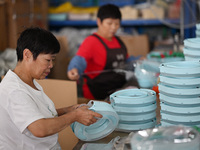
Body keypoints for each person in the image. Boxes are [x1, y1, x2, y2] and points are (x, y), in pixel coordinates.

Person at [0, 27, 102, 150]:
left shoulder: (29, 82)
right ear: (27, 54)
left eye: (52, 60)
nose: (51, 65)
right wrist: (74, 116)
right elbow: (40, 128)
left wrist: (67, 110)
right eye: (48, 60)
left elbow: (36, 113)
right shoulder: (14, 90)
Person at [67, 4, 140, 100]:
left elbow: (125, 60)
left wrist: (138, 59)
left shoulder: (118, 41)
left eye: (117, 24)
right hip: (97, 95)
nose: (113, 28)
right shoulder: (91, 42)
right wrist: (74, 69)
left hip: (117, 89)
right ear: (99, 22)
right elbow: (79, 59)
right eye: (109, 23)